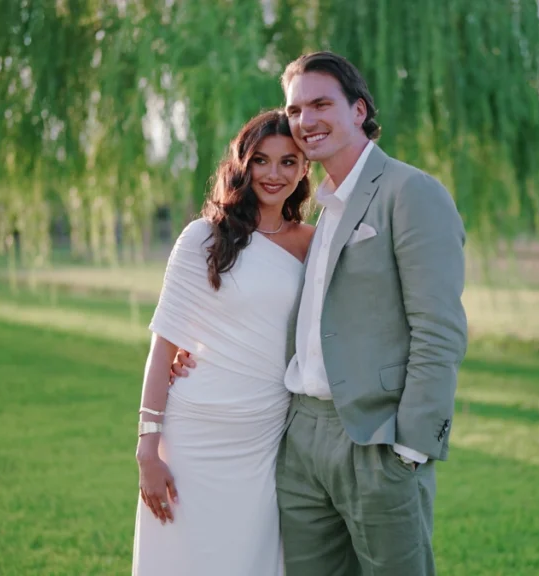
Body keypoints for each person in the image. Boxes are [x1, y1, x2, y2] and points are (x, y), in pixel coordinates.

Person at [171, 51, 468, 576]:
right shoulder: (320, 211)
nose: (306, 121)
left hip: (377, 439)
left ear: (359, 110)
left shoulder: (410, 192)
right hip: (299, 437)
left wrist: (411, 447)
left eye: (321, 104)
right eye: (296, 109)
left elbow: (438, 331)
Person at [131, 109, 314, 576]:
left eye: (289, 162)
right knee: (183, 557)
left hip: (265, 434)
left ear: (305, 168)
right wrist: (147, 448)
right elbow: (163, 348)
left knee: (248, 557)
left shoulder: (315, 242)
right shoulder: (203, 238)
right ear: (243, 164)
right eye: (262, 160)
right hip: (195, 433)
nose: (274, 174)